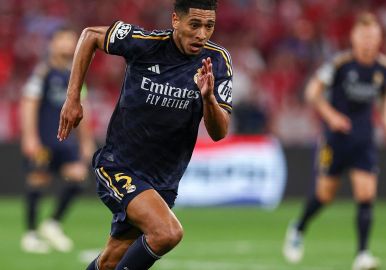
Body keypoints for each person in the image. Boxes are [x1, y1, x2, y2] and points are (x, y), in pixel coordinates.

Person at [57, 0, 232, 269]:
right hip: (119, 166)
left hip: (163, 181)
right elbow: (90, 35)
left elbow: (219, 132)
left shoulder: (217, 61)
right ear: (176, 20)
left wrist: (208, 98)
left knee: (110, 261)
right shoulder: (145, 43)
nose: (201, 34)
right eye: (194, 24)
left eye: (209, 26)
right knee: (167, 233)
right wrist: (72, 99)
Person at [283, 12, 386, 270]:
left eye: (373, 37)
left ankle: (362, 255)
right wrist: (332, 116)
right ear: (354, 37)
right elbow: (312, 92)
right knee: (325, 195)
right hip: (335, 140)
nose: (369, 42)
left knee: (366, 194)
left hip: (363, 140)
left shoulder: (384, 68)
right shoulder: (339, 63)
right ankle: (298, 228)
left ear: (379, 38)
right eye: (364, 36)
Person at [20, 27, 95, 254]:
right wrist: (30, 137)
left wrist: (86, 141)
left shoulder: (75, 76)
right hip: (43, 139)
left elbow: (84, 109)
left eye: (70, 41)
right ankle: (31, 234)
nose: (67, 45)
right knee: (37, 181)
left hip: (65, 140)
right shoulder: (43, 72)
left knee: (78, 177)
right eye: (62, 40)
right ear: (52, 44)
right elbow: (28, 104)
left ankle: (52, 223)